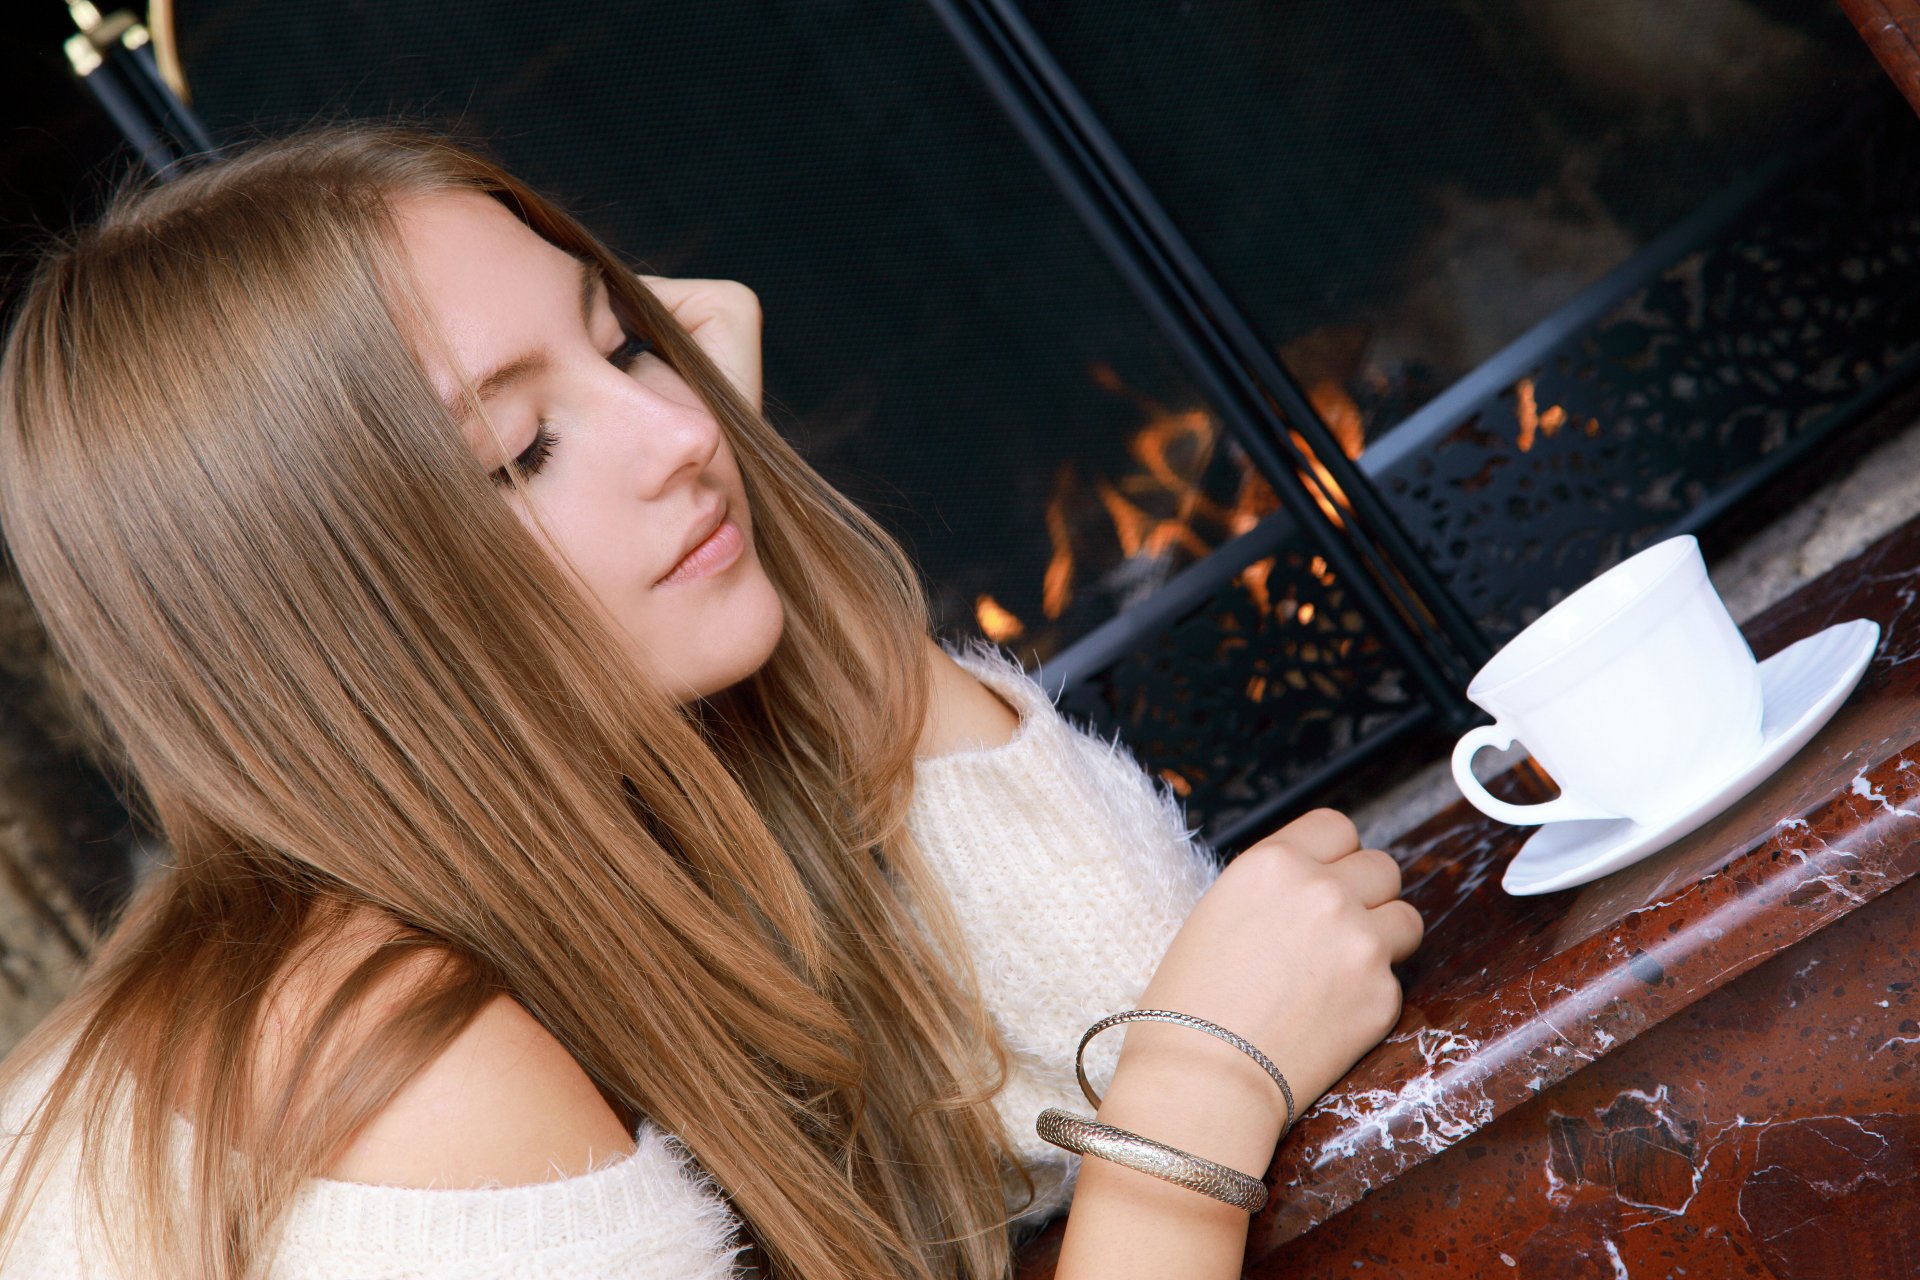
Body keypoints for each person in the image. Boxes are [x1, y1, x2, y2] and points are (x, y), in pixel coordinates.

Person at [0, 120, 1424, 1279]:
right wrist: (1196, 1102)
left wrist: (770, 569)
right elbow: (1160, 1057)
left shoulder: (507, 875)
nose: (686, 431)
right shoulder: (399, 1077)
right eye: (520, 448)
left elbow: (1095, 1017)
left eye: (624, 344)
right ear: (329, 631)